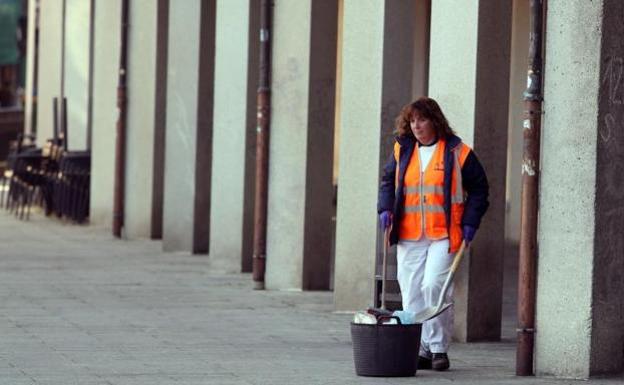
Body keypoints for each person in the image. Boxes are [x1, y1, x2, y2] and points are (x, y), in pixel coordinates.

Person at [377, 97, 489, 371]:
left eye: (422, 119)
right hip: (409, 233)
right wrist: (385, 208)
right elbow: (387, 181)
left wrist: (471, 222)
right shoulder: (402, 150)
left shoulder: (457, 152)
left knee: (434, 287)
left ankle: (438, 349)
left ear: (435, 121)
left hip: (445, 233)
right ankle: (422, 349)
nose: (416, 126)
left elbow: (480, 189)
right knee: (412, 290)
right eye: (412, 121)